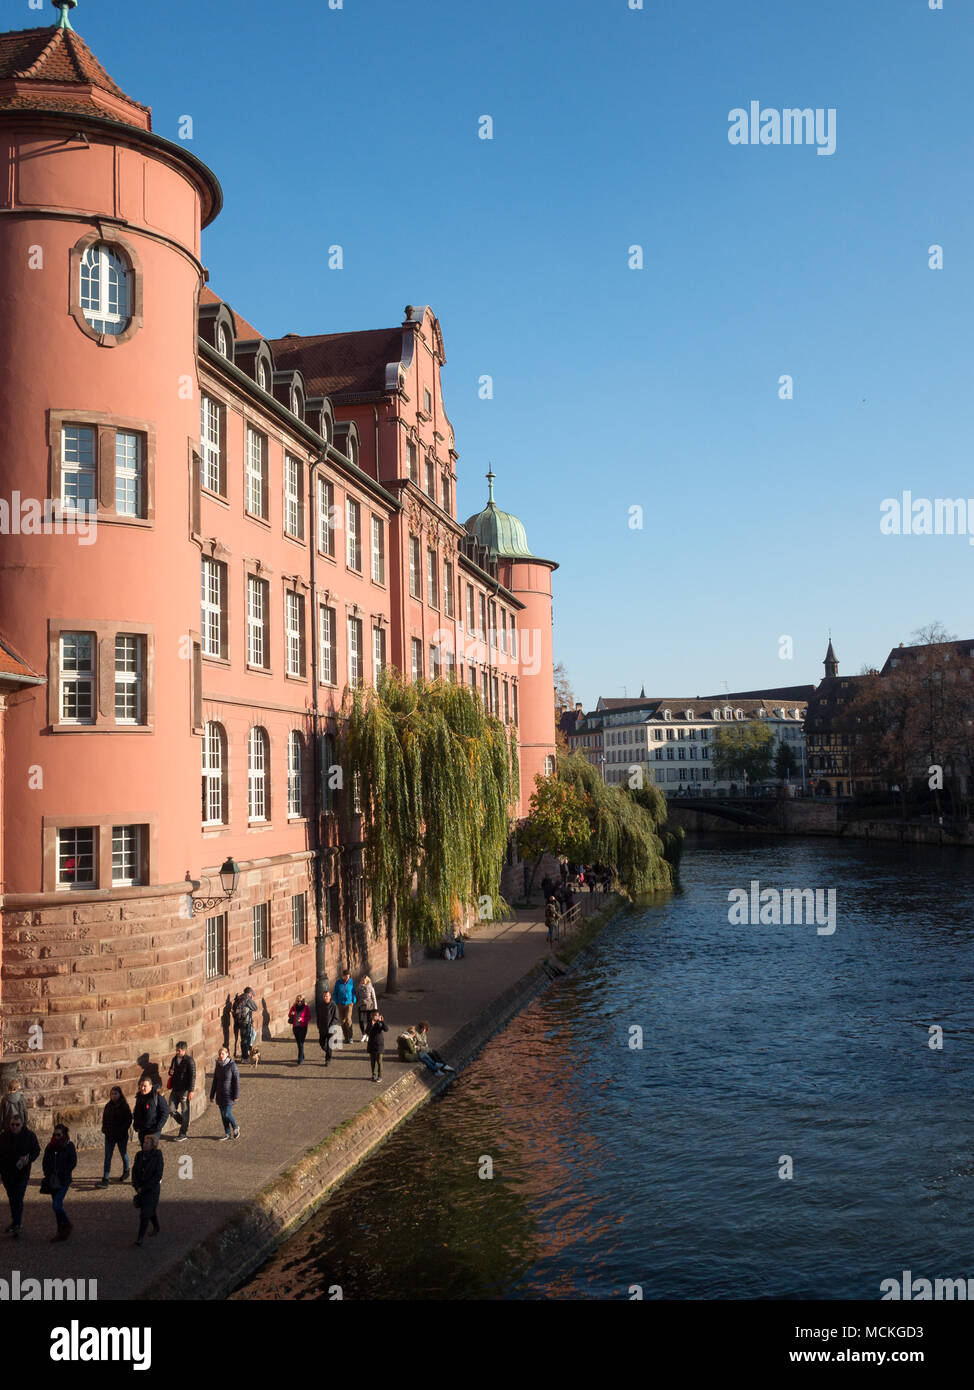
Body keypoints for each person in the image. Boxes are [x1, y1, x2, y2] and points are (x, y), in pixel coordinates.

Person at [0, 1112, 40, 1237]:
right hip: (7, 1174)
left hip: (22, 1174)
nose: (14, 1127)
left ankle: (17, 1224)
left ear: (22, 1124)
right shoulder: (4, 1136)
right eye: (12, 1125)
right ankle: (15, 1222)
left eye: (17, 1125)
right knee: (12, 1199)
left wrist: (28, 1158)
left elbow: (36, 1150)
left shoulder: (29, 1136)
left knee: (18, 1198)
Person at [41, 1123, 77, 1242]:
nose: (56, 1137)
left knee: (56, 1205)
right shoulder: (50, 1147)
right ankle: (60, 1232)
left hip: (64, 1180)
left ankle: (67, 1223)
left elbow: (73, 1162)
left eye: (59, 1135)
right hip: (52, 1180)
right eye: (54, 1134)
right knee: (57, 1207)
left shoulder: (69, 1146)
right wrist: (48, 1174)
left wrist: (65, 1172)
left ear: (64, 1135)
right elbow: (45, 1162)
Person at [132, 1133, 164, 1246]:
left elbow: (158, 1175)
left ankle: (140, 1238)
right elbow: (134, 1171)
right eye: (144, 1142)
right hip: (141, 1188)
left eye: (146, 1143)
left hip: (152, 1190)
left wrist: (145, 1188)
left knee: (145, 1213)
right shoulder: (139, 1155)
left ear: (152, 1145)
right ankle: (156, 1226)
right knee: (150, 1210)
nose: (144, 1144)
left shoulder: (157, 1156)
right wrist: (136, 1186)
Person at [99, 1085, 133, 1186]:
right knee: (108, 1157)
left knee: (123, 1153)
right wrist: (104, 1129)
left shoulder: (124, 1106)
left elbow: (128, 1120)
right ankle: (105, 1178)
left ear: (120, 1094)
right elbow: (104, 1119)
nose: (113, 1096)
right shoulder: (108, 1106)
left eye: (115, 1093)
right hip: (109, 1135)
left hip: (121, 1136)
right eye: (112, 1094)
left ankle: (126, 1170)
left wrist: (122, 1130)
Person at [166, 1042, 196, 1140]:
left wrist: (191, 1091)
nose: (177, 1052)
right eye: (176, 1050)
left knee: (185, 1111)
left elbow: (193, 1076)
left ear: (184, 1050)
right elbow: (171, 1070)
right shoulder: (174, 1059)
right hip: (175, 1088)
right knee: (171, 1108)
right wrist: (170, 1071)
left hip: (184, 1090)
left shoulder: (189, 1061)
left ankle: (183, 1133)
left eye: (179, 1050)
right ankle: (184, 1123)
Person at [209, 1045, 240, 1140]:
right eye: (219, 1054)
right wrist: (212, 1095)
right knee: (223, 1115)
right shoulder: (218, 1065)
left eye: (223, 1053)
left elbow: (236, 1081)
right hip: (220, 1094)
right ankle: (227, 1133)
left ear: (227, 1054)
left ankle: (235, 1127)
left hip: (229, 1094)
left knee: (227, 1113)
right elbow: (215, 1081)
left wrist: (236, 1095)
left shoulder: (232, 1065)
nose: (221, 1055)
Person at [133, 1076, 169, 1146]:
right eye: (141, 1086)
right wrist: (135, 1125)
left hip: (153, 1130)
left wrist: (158, 1127)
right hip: (142, 1130)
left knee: (151, 1150)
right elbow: (136, 1112)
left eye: (144, 1086)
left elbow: (165, 1112)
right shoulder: (139, 1096)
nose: (142, 1088)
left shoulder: (157, 1095)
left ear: (151, 1086)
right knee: (144, 1150)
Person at [316, 989, 340, 1066]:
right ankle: (329, 1052)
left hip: (330, 1029)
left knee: (330, 1044)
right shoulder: (320, 1005)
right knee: (322, 1043)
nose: (325, 997)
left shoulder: (333, 1005)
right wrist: (318, 1025)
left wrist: (331, 1026)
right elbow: (318, 1016)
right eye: (324, 996)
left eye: (327, 996)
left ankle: (328, 1059)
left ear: (330, 996)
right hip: (322, 1028)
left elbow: (336, 1017)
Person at [234, 987, 258, 1061]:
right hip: (246, 1022)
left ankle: (246, 1055)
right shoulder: (247, 999)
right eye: (252, 995)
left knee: (245, 1038)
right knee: (245, 1040)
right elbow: (256, 1008)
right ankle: (244, 1058)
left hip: (239, 1021)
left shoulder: (239, 998)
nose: (252, 996)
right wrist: (251, 1000)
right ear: (250, 993)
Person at [334, 968, 357, 1044]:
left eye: (348, 976)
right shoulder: (338, 982)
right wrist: (336, 1001)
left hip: (349, 1003)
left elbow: (353, 991)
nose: (347, 978)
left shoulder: (351, 982)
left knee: (348, 1019)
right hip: (340, 1003)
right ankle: (346, 1037)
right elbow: (335, 992)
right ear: (342, 976)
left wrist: (354, 999)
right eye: (346, 976)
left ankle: (350, 1037)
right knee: (342, 1020)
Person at [365, 1009, 387, 1083]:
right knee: (372, 1061)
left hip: (379, 1044)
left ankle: (380, 1076)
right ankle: (373, 1074)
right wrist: (371, 1024)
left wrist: (382, 1021)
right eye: (374, 1016)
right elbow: (367, 1032)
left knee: (379, 1061)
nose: (375, 1017)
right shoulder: (370, 1023)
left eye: (377, 1016)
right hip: (371, 1044)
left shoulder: (380, 1023)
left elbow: (386, 1029)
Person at [288, 995, 310, 1065]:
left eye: (301, 1001)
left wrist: (302, 1019)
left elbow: (309, 1017)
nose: (299, 1002)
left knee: (301, 1042)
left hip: (303, 1027)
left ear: (303, 1001)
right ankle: (302, 1055)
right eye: (298, 1001)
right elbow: (289, 1015)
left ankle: (300, 1058)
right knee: (298, 1043)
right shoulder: (293, 1007)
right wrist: (292, 1014)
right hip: (295, 1027)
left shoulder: (306, 1008)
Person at [357, 976, 377, 1041]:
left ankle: (367, 1034)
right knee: (361, 1020)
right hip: (361, 1005)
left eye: (364, 980)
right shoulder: (359, 987)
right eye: (362, 980)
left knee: (369, 1021)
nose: (363, 981)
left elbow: (374, 998)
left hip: (369, 1006)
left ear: (367, 981)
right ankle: (363, 1034)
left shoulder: (371, 988)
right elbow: (357, 996)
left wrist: (375, 1008)